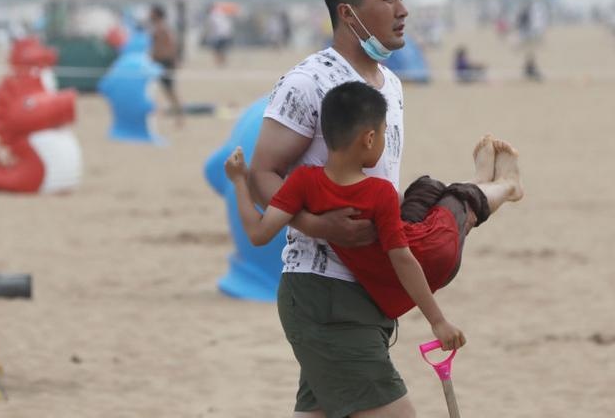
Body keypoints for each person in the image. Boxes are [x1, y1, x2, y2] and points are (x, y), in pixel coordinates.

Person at [194, 0, 504, 418]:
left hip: (361, 288)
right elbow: (267, 172)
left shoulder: (389, 86)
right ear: (348, 11)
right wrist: (317, 222)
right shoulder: (307, 82)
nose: (403, 10)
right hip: (319, 286)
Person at [223, 84, 521, 333]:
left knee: (426, 188)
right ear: (369, 139)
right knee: (458, 203)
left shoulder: (303, 181)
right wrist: (438, 321)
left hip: (404, 242)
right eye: (382, 133)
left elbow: (258, 233)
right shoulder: (379, 193)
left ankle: (480, 183)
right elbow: (404, 260)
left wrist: (239, 181)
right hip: (431, 254)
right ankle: (506, 186)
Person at [149, 4, 182, 117]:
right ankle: (178, 114)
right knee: (165, 90)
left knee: (170, 90)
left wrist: (173, 60)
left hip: (164, 62)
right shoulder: (159, 27)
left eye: (152, 12)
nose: (150, 15)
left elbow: (169, 45)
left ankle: (179, 115)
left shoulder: (161, 28)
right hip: (160, 61)